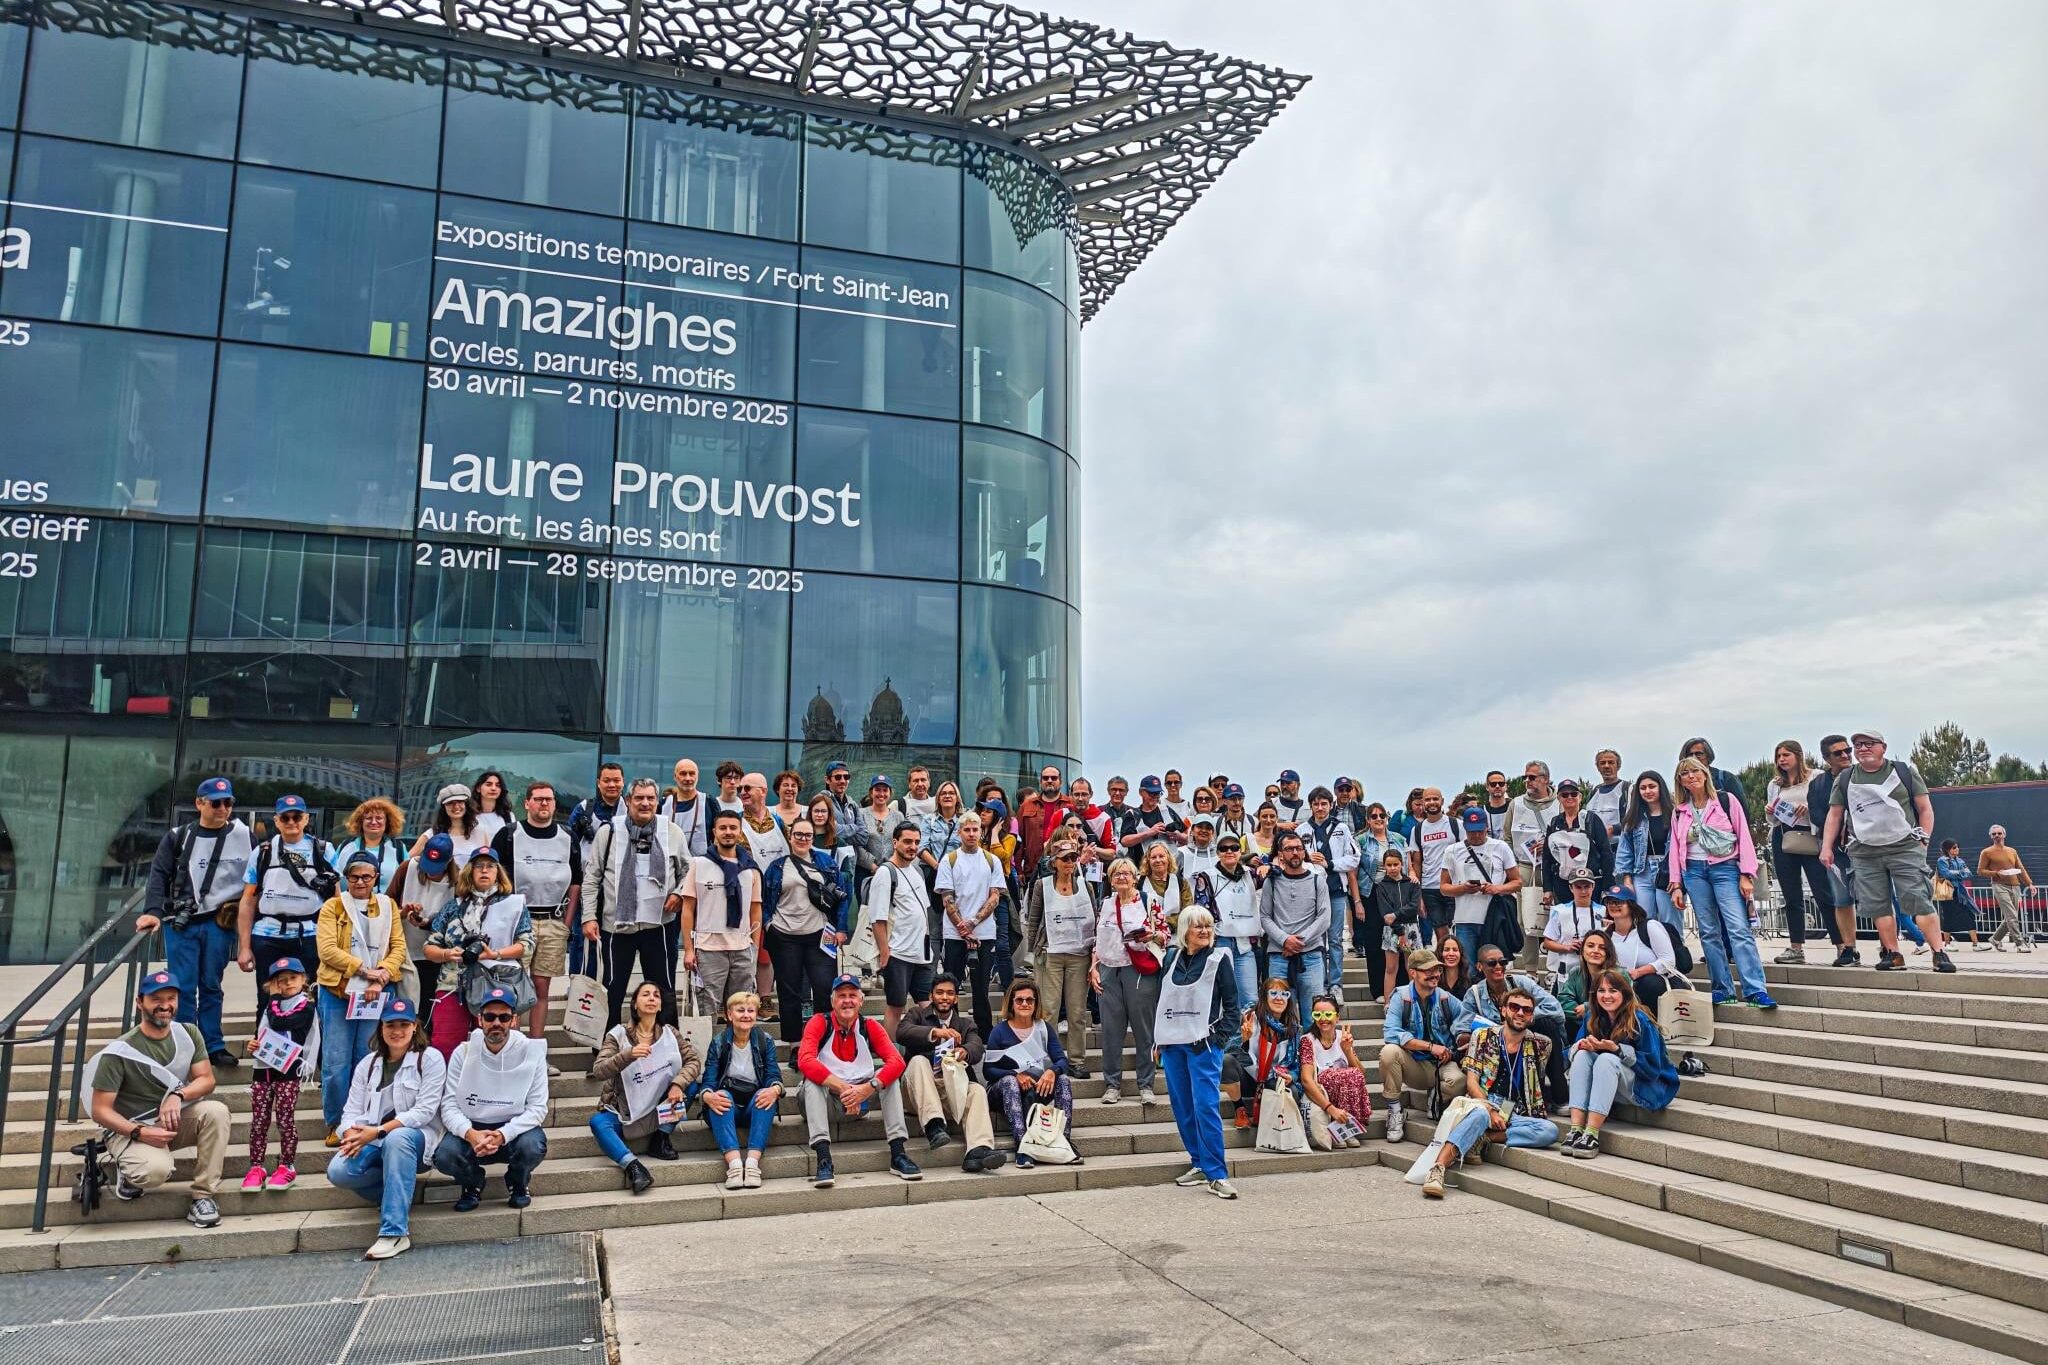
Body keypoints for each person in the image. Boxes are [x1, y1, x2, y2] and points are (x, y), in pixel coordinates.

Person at [85, 971, 229, 1228]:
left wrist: (178, 1094)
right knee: (154, 1172)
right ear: (140, 1002)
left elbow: (206, 1079)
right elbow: (100, 1110)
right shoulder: (120, 1051)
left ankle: (203, 1196)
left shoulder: (188, 1033)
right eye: (156, 999)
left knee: (216, 1111)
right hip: (130, 1129)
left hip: (170, 1119)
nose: (165, 1005)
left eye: (171, 998)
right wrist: (139, 1132)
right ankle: (129, 1173)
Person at [1819, 730, 1956, 974]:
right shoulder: (1846, 778)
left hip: (1904, 846)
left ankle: (1938, 951)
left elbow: (1925, 807)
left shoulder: (1903, 772)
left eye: (1868, 744)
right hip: (1864, 850)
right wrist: (1827, 847)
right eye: (1857, 745)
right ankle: (1893, 953)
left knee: (1918, 900)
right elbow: (1835, 814)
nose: (1862, 748)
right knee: (1877, 904)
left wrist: (1923, 839)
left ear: (1883, 746)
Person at [139, 776, 252, 1070]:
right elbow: (158, 876)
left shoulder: (244, 835)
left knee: (212, 984)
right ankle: (187, 1044)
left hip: (219, 921)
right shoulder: (178, 836)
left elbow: (256, 881)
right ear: (199, 804)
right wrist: (152, 911)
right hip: (181, 921)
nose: (223, 808)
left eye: (228, 802)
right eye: (216, 803)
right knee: (184, 986)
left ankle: (213, 1045)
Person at [327, 996, 444, 1259]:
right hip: (372, 1137)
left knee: (398, 1137)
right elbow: (351, 1111)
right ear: (381, 1026)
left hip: (416, 1139)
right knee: (338, 1171)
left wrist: (379, 1131)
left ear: (415, 1026)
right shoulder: (368, 1064)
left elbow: (424, 1111)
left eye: (404, 1024)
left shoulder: (430, 1058)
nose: (397, 1031)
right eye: (391, 1024)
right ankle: (396, 1194)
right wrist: (350, 1135)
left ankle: (394, 1232)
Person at [1418, 987, 1559, 1199]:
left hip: (1515, 1110)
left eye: (1527, 1010)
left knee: (1549, 1131)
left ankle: (1483, 1137)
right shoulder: (1482, 1036)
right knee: (1482, 1115)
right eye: (1514, 1007)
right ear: (1503, 1011)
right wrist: (1491, 1109)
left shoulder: (1541, 1044)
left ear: (1531, 1017)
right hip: (1484, 1101)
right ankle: (1438, 1169)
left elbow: (1536, 1082)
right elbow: (1472, 1082)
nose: (1520, 1013)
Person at [583, 778, 690, 1029]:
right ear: (628, 801)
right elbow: (592, 878)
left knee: (663, 990)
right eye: (639, 798)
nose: (645, 803)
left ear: (657, 801)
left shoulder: (671, 832)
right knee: (611, 990)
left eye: (650, 798)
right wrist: (589, 916)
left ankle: (666, 1047)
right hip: (616, 926)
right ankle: (604, 1053)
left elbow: (688, 871)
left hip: (660, 926)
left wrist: (679, 893)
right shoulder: (608, 832)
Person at [315, 851, 408, 1141]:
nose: (359, 882)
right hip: (338, 991)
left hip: (375, 992)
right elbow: (327, 950)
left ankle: (363, 1119)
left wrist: (381, 974)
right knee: (335, 1062)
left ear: (376, 878)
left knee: (368, 1057)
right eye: (354, 877)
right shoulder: (333, 906)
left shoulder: (387, 905)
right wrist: (364, 971)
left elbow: (398, 947)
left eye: (366, 877)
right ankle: (335, 1121)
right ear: (346, 877)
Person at [796, 974, 922, 1186]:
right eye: (841, 996)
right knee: (811, 1080)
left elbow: (897, 1062)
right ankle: (823, 1158)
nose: (847, 1001)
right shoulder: (819, 1022)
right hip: (824, 1102)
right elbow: (805, 1060)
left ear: (861, 1001)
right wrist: (846, 1089)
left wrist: (868, 1088)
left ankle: (898, 1154)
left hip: (860, 1102)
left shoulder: (870, 1026)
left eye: (852, 995)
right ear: (832, 1001)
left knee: (888, 1079)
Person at [1671, 758, 1778, 1006]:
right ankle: (1722, 987)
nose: (1691, 776)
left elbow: (1743, 837)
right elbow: (1675, 849)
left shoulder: (1726, 801)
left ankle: (1754, 988)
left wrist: (1746, 874)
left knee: (1738, 928)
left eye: (1695, 770)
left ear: (1705, 773)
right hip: (1694, 871)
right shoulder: (1680, 810)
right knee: (1708, 931)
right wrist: (1676, 884)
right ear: (1680, 780)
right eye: (1684, 773)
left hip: (1725, 868)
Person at [434, 986, 549, 1210]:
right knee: (444, 1156)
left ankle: (517, 1182)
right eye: (490, 1016)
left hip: (512, 1130)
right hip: (472, 1129)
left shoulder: (532, 1052)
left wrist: (502, 1135)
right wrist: (470, 1134)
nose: (497, 1023)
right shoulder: (463, 1052)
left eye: (504, 1017)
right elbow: (448, 1104)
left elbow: (537, 1109)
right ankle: (472, 1182)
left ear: (513, 1021)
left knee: (533, 1146)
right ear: (480, 1020)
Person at [1152, 908, 1238, 1197]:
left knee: (1205, 1107)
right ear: (1185, 930)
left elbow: (1233, 1007)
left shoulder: (1219, 958)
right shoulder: (1171, 958)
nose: (1204, 931)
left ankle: (1217, 1173)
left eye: (1208, 926)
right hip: (1173, 1045)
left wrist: (1217, 1039)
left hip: (1203, 1045)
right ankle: (1199, 1163)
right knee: (1183, 1108)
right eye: (1197, 926)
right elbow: (1162, 999)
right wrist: (1158, 1040)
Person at [491, 782, 582, 1042]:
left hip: (553, 921)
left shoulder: (567, 836)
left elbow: (576, 881)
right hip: (519, 921)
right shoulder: (509, 834)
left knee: (542, 988)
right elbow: (495, 880)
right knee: (514, 986)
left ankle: (536, 1052)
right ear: (527, 803)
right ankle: (513, 1046)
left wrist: (566, 922)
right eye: (539, 799)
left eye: (549, 800)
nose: (544, 804)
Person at [422, 848, 533, 1057]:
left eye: (490, 866)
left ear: (498, 872)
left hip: (495, 983)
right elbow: (429, 947)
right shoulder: (452, 906)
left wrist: (495, 954)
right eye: (479, 866)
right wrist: (447, 954)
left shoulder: (513, 904)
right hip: (452, 984)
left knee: (496, 1048)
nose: (484, 871)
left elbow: (526, 945)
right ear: (470, 872)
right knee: (445, 1045)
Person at [591, 981, 699, 1194]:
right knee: (598, 1122)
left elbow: (694, 1061)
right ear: (634, 1004)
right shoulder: (618, 1034)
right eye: (645, 994)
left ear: (660, 1006)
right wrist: (627, 1055)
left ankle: (660, 1139)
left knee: (691, 1085)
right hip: (627, 1112)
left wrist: (677, 1084)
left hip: (660, 1108)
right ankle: (633, 1166)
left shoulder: (670, 1033)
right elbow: (599, 1070)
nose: (651, 998)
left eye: (656, 996)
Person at [895, 974, 1006, 1173]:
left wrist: (965, 1051)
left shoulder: (965, 1024)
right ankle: (934, 1126)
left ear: (956, 998)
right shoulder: (916, 1014)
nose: (944, 997)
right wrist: (936, 1033)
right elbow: (902, 1032)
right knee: (919, 1061)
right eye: (939, 993)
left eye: (949, 993)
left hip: (949, 1091)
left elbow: (977, 1046)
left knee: (977, 1091)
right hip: (917, 1092)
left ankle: (977, 1151)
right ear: (931, 996)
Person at [236, 794, 340, 1005]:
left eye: (296, 817)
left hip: (310, 935)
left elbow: (336, 899)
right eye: (285, 818)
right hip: (268, 935)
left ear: (306, 819)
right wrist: (244, 946)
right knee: (268, 998)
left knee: (309, 997)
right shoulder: (263, 852)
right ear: (276, 821)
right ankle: (266, 1037)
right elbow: (248, 900)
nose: (291, 822)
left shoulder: (323, 850)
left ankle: (306, 1039)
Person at [1564, 970, 1679, 1158]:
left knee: (1607, 1059)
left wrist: (1617, 1050)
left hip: (1648, 1088)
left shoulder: (1639, 1019)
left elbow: (1652, 1069)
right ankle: (1576, 1129)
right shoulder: (1592, 1016)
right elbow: (1573, 1055)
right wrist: (1583, 1046)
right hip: (1609, 1085)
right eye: (1601, 991)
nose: (1606, 996)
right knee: (1583, 1055)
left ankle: (1591, 1133)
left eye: (1613, 991)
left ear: (1625, 993)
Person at [762, 816, 849, 1042]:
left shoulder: (826, 863)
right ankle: (794, 1043)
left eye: (807, 835)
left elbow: (842, 898)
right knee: (789, 992)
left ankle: (822, 1040)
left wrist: (841, 929)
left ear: (813, 837)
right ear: (790, 837)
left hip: (820, 934)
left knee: (823, 988)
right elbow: (764, 900)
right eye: (798, 835)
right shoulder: (777, 867)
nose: (803, 839)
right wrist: (769, 925)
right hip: (785, 935)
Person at [1091, 856, 1167, 1104]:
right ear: (1111, 880)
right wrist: (1093, 968)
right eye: (1116, 874)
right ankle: (1112, 1084)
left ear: (1135, 877)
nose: (1122, 877)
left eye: (1126, 873)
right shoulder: (1105, 903)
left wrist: (1150, 936)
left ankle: (1146, 1085)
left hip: (1139, 970)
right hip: (1109, 970)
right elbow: (1097, 939)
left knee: (1144, 1030)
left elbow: (1165, 935)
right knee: (1111, 1032)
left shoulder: (1148, 900)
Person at [239, 956, 316, 1190]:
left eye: (293, 978)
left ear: (303, 980)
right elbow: (262, 1033)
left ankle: (287, 1165)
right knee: (259, 1121)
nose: (288, 983)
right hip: (264, 1071)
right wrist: (253, 1044)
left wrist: (272, 997)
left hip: (289, 1071)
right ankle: (256, 1166)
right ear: (273, 984)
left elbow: (281, 1023)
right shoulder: (269, 1008)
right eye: (281, 981)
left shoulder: (306, 1005)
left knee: (285, 1120)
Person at [983, 977, 1075, 1168]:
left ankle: (1063, 1141)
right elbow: (988, 1070)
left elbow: (1062, 1061)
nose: (1024, 1003)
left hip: (1035, 1089)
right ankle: (1023, 1146)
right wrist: (1015, 1076)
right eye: (1019, 1000)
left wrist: (1052, 1072)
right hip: (1002, 1091)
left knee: (1063, 1080)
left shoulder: (1044, 1028)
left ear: (1035, 1003)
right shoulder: (999, 1031)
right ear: (1011, 1003)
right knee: (1009, 1082)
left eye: (1029, 1000)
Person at [1378, 949, 1469, 1140]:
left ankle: (1436, 1096)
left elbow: (1466, 1018)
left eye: (1437, 970)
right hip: (1414, 1065)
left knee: (1460, 1081)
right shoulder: (1400, 997)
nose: (1435, 975)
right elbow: (1391, 1033)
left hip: (1442, 1064)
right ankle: (1395, 1110)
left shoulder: (1445, 997)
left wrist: (1462, 1035)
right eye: (1428, 971)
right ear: (1413, 973)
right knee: (1389, 1052)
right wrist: (1429, 1047)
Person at [680, 810, 763, 1020]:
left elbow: (755, 910)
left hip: (742, 949)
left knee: (741, 1010)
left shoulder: (751, 870)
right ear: (714, 831)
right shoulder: (698, 864)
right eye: (723, 828)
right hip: (708, 949)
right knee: (707, 1011)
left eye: (733, 828)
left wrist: (753, 946)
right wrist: (689, 950)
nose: (728, 832)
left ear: (740, 832)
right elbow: (688, 908)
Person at [1021, 834, 1097, 1064]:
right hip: (1049, 952)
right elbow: (1034, 920)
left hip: (1079, 954)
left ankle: (1076, 1060)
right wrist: (1033, 953)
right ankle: (1050, 1058)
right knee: (1049, 1010)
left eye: (1073, 857)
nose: (1069, 862)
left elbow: (1095, 919)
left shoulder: (1087, 886)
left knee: (1076, 1012)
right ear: (1054, 861)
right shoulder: (1041, 886)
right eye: (1064, 858)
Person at [1465, 946, 1569, 1106]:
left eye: (1503, 962)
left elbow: (1555, 1009)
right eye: (1492, 963)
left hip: (1525, 1038)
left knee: (1547, 1025)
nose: (1499, 966)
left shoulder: (1520, 982)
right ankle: (1506, 1103)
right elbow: (1462, 1026)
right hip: (1495, 1048)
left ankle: (1558, 1096)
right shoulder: (1474, 994)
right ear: (1480, 966)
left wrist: (1524, 1018)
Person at [701, 990, 784, 1189]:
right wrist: (707, 1096)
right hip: (728, 1105)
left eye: (750, 1010)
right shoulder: (719, 1042)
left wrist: (775, 1090)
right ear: (729, 1015)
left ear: (756, 1015)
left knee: (765, 1093)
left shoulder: (765, 1040)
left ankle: (753, 1164)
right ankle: (735, 1166)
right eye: (740, 1010)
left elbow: (774, 1076)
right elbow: (708, 1082)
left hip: (754, 1106)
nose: (746, 1015)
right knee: (720, 1095)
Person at [1764, 741, 1836, 965]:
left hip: (1811, 836)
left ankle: (1842, 945)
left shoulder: (1816, 776)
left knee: (1822, 891)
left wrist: (1808, 808)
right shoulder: (1775, 784)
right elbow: (1773, 819)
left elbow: (1827, 807)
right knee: (1791, 895)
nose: (1782, 760)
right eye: (1778, 756)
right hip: (1783, 837)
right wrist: (1769, 811)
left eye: (1786, 755)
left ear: (1798, 755)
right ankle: (1796, 947)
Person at [936, 812, 1005, 1036]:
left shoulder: (991, 860)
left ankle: (983, 1033)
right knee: (951, 985)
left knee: (981, 987)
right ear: (959, 833)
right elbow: (947, 898)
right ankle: (951, 1030)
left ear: (981, 831)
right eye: (967, 830)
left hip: (984, 932)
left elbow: (995, 896)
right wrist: (963, 929)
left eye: (975, 829)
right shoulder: (949, 860)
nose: (972, 834)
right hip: (955, 934)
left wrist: (974, 922)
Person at [869, 821, 936, 1035]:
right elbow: (877, 918)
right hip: (898, 953)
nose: (913, 846)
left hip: (922, 954)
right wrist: (885, 953)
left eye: (916, 842)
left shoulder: (916, 871)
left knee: (926, 1006)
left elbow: (923, 911)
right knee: (895, 1006)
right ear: (895, 842)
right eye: (907, 841)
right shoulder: (885, 873)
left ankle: (927, 1053)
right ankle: (889, 1057)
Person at [1297, 787, 1363, 997]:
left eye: (1324, 803)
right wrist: (1308, 860)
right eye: (1316, 804)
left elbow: (1354, 857)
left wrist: (1330, 863)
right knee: (1315, 939)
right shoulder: (1302, 830)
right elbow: (1294, 858)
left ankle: (1335, 984)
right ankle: (1318, 983)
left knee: (1334, 939)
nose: (1320, 808)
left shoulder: (1341, 828)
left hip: (1335, 891)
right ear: (1311, 806)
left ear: (1331, 805)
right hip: (1310, 893)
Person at [1439, 807, 1520, 968]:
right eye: (1471, 832)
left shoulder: (1501, 847)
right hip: (1465, 919)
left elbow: (1517, 882)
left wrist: (1496, 888)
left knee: (1494, 968)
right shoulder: (1452, 850)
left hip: (1494, 918)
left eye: (1480, 831)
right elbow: (1443, 887)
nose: (1476, 835)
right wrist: (1463, 888)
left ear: (1486, 828)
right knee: (1468, 969)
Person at [567, 762, 628, 976]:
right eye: (607, 780)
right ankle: (578, 981)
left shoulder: (630, 809)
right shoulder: (584, 808)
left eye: (616, 780)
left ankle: (608, 980)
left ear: (623, 782)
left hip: (619, 885)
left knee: (615, 937)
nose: (612, 784)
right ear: (598, 783)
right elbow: (570, 844)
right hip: (588, 883)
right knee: (581, 936)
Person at [388, 835, 457, 1021]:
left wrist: (427, 923)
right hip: (404, 951)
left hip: (436, 956)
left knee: (428, 1009)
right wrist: (404, 912)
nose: (430, 873)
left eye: (436, 869)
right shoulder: (407, 867)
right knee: (405, 1007)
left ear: (449, 860)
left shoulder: (457, 881)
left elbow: (456, 921)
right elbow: (386, 905)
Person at [1222, 977, 1300, 1134]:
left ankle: (1274, 1124)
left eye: (1284, 994)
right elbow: (1226, 1050)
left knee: (1294, 1091)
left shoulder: (1293, 1027)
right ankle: (1240, 1109)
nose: (1279, 998)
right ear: (1264, 996)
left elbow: (1298, 1064)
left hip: (1274, 1079)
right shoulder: (1249, 1016)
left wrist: (1292, 1076)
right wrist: (1243, 1038)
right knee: (1226, 1061)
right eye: (1273, 993)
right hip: (1249, 1077)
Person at [1260, 833, 1331, 1004]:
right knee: (1279, 1014)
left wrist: (1298, 942)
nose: (1295, 853)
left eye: (1299, 848)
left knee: (1312, 1013)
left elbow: (1324, 917)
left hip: (1311, 956)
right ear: (1281, 853)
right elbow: (1264, 916)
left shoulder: (1317, 881)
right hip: (1279, 956)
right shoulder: (1272, 882)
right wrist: (1285, 940)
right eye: (1289, 849)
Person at [1505, 763, 1561, 971]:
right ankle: (1530, 968)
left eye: (1532, 777)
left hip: (1553, 865)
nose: (1527, 781)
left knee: (1554, 916)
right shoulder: (1516, 804)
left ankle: (1554, 968)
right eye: (1525, 777)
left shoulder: (1559, 803)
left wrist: (1549, 844)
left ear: (1545, 779)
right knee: (1526, 918)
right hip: (1525, 864)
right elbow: (1507, 837)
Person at [1615, 771, 1682, 939]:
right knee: (1643, 918)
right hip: (1642, 871)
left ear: (1661, 788)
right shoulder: (1633, 818)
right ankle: (1649, 959)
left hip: (1667, 871)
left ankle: (1676, 958)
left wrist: (1678, 879)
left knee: (1670, 919)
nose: (1648, 791)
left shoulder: (1676, 814)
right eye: (1643, 788)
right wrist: (1627, 880)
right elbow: (1625, 851)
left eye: (1652, 786)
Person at [1299, 992, 1370, 1148]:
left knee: (1352, 1074)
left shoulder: (1342, 1036)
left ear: (1337, 1017)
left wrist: (1347, 1050)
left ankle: (1346, 1127)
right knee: (1344, 1075)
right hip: (1323, 1091)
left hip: (1345, 1089)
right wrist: (1330, 1109)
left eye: (1328, 1014)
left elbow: (1361, 1074)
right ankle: (1340, 1128)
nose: (1323, 1019)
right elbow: (1306, 1079)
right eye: (1317, 1014)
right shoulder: (1308, 1040)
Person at [1539, 780, 1615, 910]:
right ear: (1558, 798)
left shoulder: (1591, 820)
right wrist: (1547, 888)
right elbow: (1547, 858)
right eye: (1565, 795)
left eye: (1573, 794)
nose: (1569, 797)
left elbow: (1605, 852)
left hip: (1590, 882)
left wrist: (1607, 886)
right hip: (1562, 883)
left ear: (1580, 796)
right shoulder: (1554, 823)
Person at [1369, 848, 1422, 1005]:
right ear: (1384, 866)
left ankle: (1416, 1000)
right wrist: (1399, 930)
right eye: (1389, 865)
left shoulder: (1411, 884)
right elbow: (1386, 913)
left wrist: (1396, 914)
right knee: (1391, 968)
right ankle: (1388, 1003)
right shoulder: (1381, 886)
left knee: (1411, 967)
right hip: (1392, 930)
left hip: (1411, 928)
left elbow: (1414, 907)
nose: (1392, 868)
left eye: (1395, 864)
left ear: (1402, 864)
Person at [1405, 788, 1457, 942]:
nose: (1432, 802)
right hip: (1430, 888)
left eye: (1435, 799)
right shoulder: (1418, 830)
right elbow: (1417, 863)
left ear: (1442, 801)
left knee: (1456, 932)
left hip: (1454, 886)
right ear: (1423, 804)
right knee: (1441, 933)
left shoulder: (1455, 825)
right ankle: (1443, 964)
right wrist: (1418, 894)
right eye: (1428, 800)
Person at [331, 797, 406, 897]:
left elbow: (407, 880)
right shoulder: (346, 846)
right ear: (360, 822)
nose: (374, 822)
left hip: (386, 908)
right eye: (369, 818)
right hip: (348, 908)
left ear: (387, 822)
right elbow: (333, 877)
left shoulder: (398, 848)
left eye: (379, 818)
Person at [1541, 871, 1604, 982]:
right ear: (1571, 888)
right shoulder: (1560, 910)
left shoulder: (1603, 911)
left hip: (1596, 967)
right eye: (1578, 887)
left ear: (1593, 886)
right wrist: (1567, 947)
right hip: (1567, 966)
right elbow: (1547, 942)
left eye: (1587, 887)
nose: (1583, 891)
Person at [1978, 825, 2033, 952]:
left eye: (1999, 833)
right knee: (2012, 916)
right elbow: (1980, 871)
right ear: (1991, 836)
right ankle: (2020, 944)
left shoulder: (2012, 851)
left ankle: (1995, 939)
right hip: (1999, 886)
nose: (1997, 835)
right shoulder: (1986, 852)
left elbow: (2020, 868)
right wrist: (1996, 873)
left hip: (2015, 886)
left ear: (2004, 835)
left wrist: (2029, 883)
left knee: (2010, 916)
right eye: (1994, 834)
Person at [411, 783, 485, 866]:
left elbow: (487, 861)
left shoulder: (479, 832)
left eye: (460, 801)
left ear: (466, 804)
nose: (456, 806)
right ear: (444, 807)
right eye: (450, 803)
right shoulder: (432, 834)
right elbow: (409, 861)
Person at [1556, 927, 1618, 1023]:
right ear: (1582, 950)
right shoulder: (1575, 972)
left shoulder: (1619, 975)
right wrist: (1582, 1014)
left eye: (1602, 948)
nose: (1596, 951)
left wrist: (1588, 1008)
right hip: (1580, 1023)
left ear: (1608, 953)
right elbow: (1564, 1002)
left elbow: (1623, 1003)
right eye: (1590, 946)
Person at [1118, 775, 1185, 855]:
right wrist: (1149, 833)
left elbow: (1187, 838)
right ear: (1141, 792)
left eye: (1157, 793)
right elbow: (1124, 841)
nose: (1155, 797)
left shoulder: (1167, 811)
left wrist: (1178, 836)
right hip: (1141, 865)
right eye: (1151, 793)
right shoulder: (1132, 814)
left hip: (1169, 865)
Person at [735, 772, 790, 868]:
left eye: (747, 788)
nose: (743, 792)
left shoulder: (779, 823)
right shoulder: (734, 823)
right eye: (740, 789)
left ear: (763, 791)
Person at [660, 758, 712, 857]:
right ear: (675, 777)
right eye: (683, 774)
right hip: (670, 866)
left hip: (701, 866)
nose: (688, 778)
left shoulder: (708, 803)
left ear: (697, 776)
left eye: (692, 773)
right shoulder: (663, 805)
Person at [1936, 840, 1983, 951]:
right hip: (1948, 892)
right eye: (1954, 848)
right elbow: (1945, 873)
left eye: (1957, 847)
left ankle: (1976, 944)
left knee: (1969, 914)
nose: (1957, 849)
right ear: (1947, 849)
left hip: (1960, 891)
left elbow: (1969, 873)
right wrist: (1959, 872)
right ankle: (1947, 944)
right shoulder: (1942, 860)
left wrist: (1955, 873)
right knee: (1948, 916)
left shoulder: (1960, 860)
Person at [1678, 738, 1746, 803]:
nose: (1694, 758)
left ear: (1708, 756)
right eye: (1690, 755)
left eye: (1698, 754)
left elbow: (1741, 811)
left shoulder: (1726, 778)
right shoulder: (1683, 784)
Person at [1587, 750, 1627, 839]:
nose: (1606, 766)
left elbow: (1636, 819)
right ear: (1598, 767)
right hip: (1596, 849)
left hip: (1619, 848)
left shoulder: (1627, 789)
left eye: (1611, 762)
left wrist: (1614, 829)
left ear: (1618, 766)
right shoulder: (1593, 792)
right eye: (1602, 763)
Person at [470, 771, 511, 847]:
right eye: (488, 784)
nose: (493, 788)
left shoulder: (508, 816)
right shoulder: (469, 815)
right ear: (478, 788)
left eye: (498, 785)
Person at [1478, 773, 1513, 843]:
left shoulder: (1515, 808)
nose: (1497, 786)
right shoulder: (1481, 812)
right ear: (1487, 787)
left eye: (1501, 784)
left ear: (1506, 786)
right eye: (1493, 784)